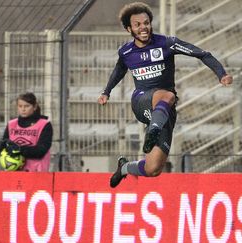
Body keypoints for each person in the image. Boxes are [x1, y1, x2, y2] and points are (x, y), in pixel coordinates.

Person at [97, 2, 233, 188]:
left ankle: (124, 168)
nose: (143, 27)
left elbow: (202, 54)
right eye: (138, 24)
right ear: (129, 29)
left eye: (146, 23)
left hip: (164, 111)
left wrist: (221, 74)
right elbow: (118, 71)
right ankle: (152, 131)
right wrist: (106, 92)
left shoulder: (167, 43)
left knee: (154, 168)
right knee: (168, 95)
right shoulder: (126, 52)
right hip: (142, 100)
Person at [0, 92, 53, 172]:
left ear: (34, 107)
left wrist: (19, 149)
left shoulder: (44, 124)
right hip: (14, 172)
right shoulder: (11, 124)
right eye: (20, 106)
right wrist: (2, 149)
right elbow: (5, 148)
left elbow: (41, 150)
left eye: (27, 106)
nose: (23, 109)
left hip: (36, 173)